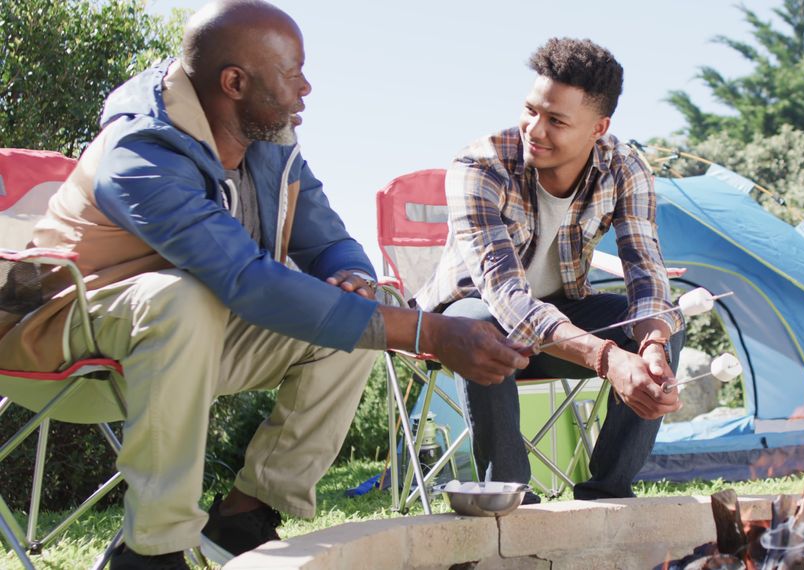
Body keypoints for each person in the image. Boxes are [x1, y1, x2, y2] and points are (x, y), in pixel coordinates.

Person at [0, 1, 528, 568]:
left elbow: (329, 241)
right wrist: (428, 331)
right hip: (57, 337)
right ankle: (151, 550)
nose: (306, 88)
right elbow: (244, 280)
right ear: (234, 82)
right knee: (182, 296)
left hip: (184, 340)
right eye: (292, 71)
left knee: (364, 316)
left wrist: (352, 277)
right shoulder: (139, 154)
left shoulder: (272, 145)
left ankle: (243, 516)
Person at [415, 37, 685, 502]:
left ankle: (606, 494)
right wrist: (607, 358)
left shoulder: (626, 168)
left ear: (599, 127)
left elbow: (646, 271)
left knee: (666, 325)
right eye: (530, 109)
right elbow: (509, 302)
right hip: (474, 326)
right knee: (479, 323)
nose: (534, 129)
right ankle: (512, 497)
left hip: (563, 323)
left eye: (556, 120)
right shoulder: (479, 166)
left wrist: (652, 342)